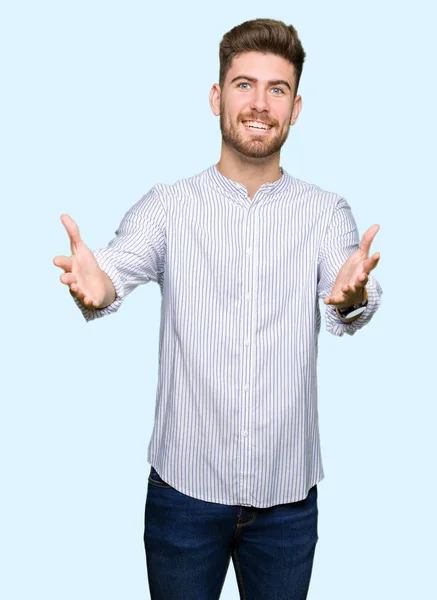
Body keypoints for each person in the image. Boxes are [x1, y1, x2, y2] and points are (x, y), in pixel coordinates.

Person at [53, 17, 382, 600]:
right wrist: (94, 285)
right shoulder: (168, 206)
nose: (259, 103)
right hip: (183, 494)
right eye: (243, 85)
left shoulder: (327, 212)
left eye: (277, 89)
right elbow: (111, 275)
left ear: (296, 107)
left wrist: (354, 297)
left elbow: (348, 294)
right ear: (216, 96)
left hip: (287, 501)